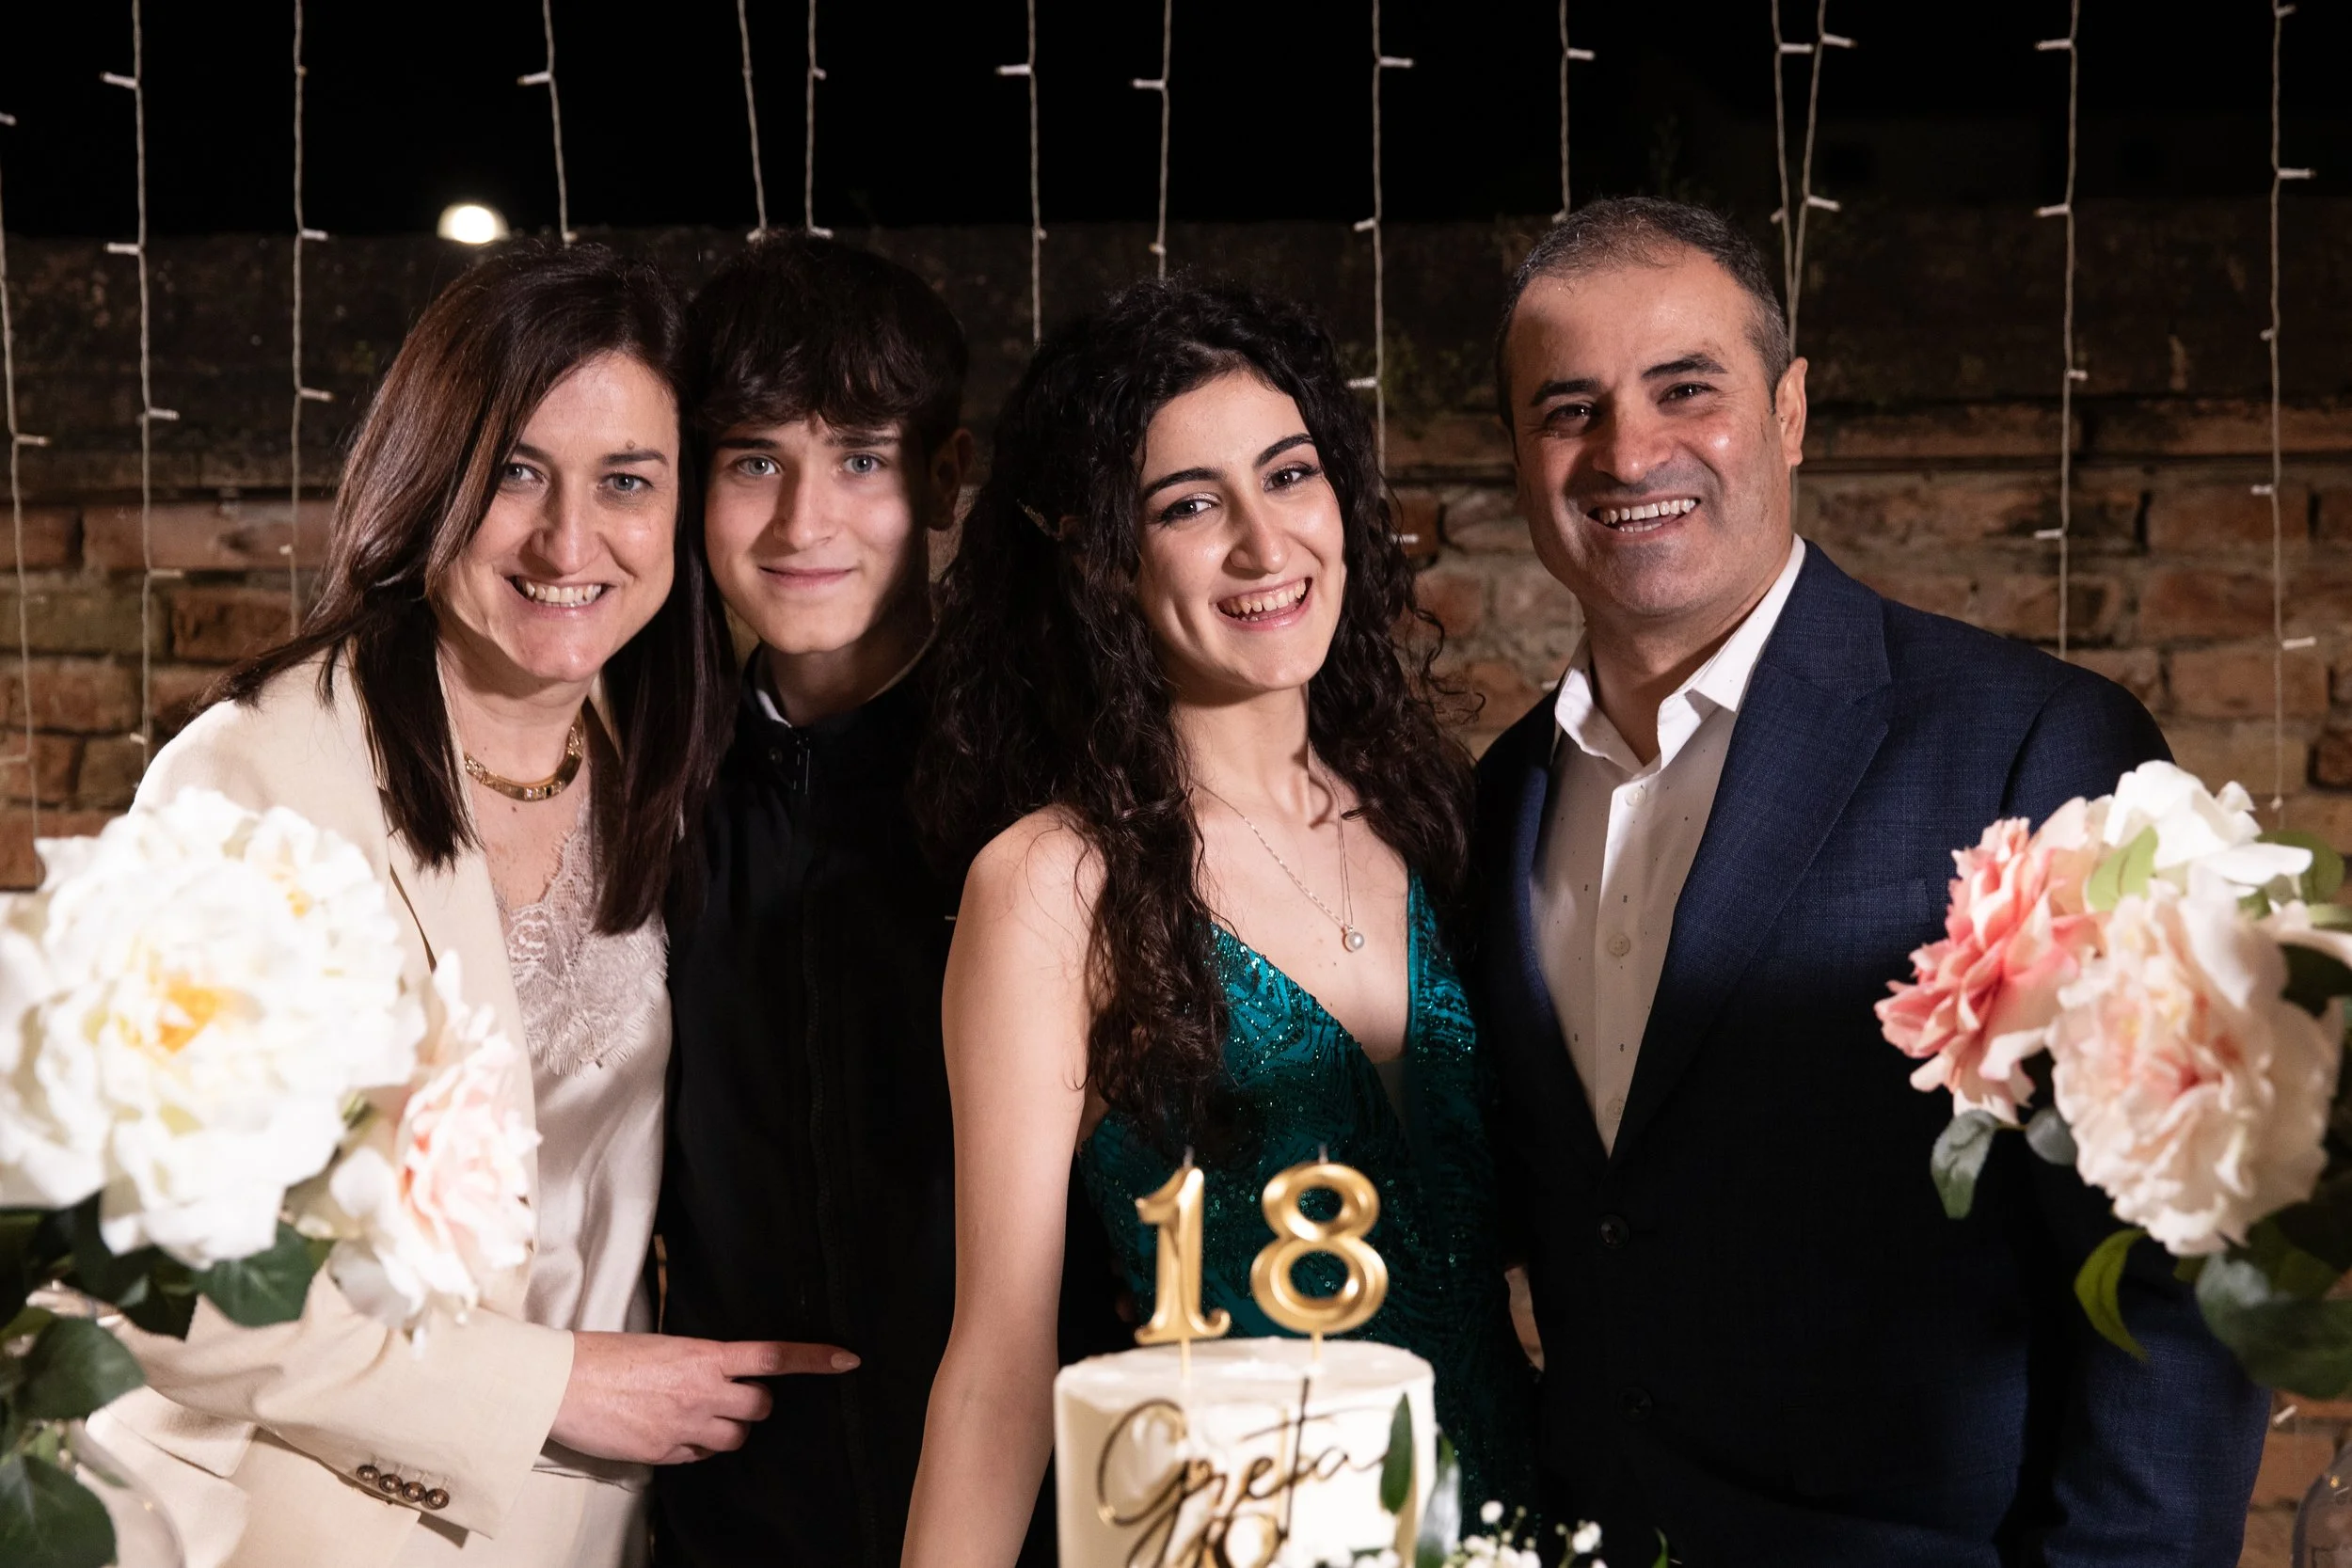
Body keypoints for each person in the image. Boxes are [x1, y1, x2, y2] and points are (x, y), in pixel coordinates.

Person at [1470, 196, 2268, 1565]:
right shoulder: (1499, 799)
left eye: (1685, 389)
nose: (1629, 451)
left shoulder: (2034, 745)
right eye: (1569, 410)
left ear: (1788, 412)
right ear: (1519, 453)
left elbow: (2179, 1268)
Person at [99, 245, 851, 1568]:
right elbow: (159, 1271)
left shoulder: (656, 764)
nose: (569, 541)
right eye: (515, 472)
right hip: (291, 1523)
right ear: (428, 478)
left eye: (627, 481)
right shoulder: (254, 782)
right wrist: (546, 1386)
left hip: (585, 1525)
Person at [901, 277, 1537, 1568]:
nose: (1265, 544)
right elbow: (999, 1359)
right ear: (1099, 557)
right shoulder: (1053, 884)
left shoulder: (1435, 815)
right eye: (1189, 505)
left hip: (1515, 1522)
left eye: (1290, 476)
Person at [653, 233, 1087, 1568]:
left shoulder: (1056, 777)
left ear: (945, 477)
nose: (803, 523)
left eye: (859, 459)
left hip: (1041, 1498)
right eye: (753, 462)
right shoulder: (647, 790)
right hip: (735, 1510)